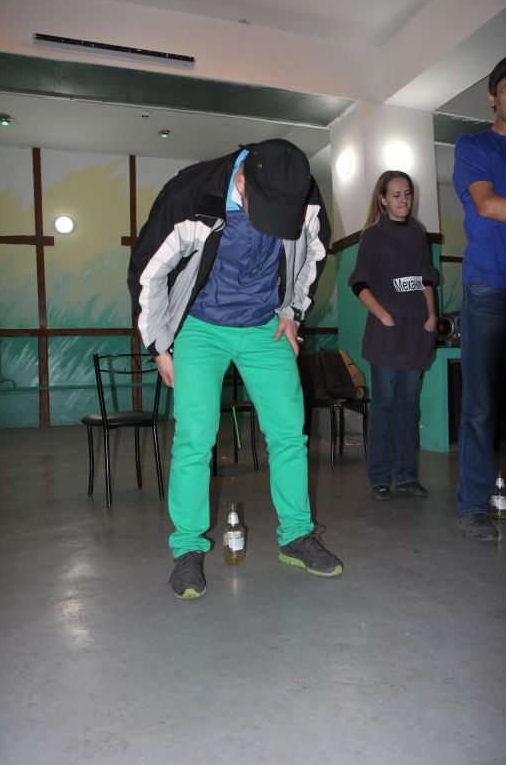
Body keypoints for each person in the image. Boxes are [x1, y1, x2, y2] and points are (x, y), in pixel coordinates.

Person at [128, 139, 344, 599]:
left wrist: (293, 312)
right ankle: (188, 548)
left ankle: (296, 535)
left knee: (289, 433)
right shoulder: (191, 195)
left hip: (265, 324)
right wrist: (159, 347)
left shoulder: (302, 192)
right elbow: (148, 273)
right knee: (194, 438)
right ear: (241, 180)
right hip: (200, 325)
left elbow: (314, 253)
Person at [348, 171, 438, 501]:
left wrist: (431, 314)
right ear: (383, 199)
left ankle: (407, 477)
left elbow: (426, 279)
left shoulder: (417, 233)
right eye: (397, 194)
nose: (404, 200)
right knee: (384, 406)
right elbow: (359, 283)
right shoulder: (372, 236)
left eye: (408, 193)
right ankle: (379, 479)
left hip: (416, 335)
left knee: (408, 407)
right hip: (385, 338)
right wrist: (383, 315)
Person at [452, 54, 506, 541]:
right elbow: (487, 205)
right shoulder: (474, 144)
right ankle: (473, 503)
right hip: (489, 284)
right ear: (493, 97)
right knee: (481, 404)